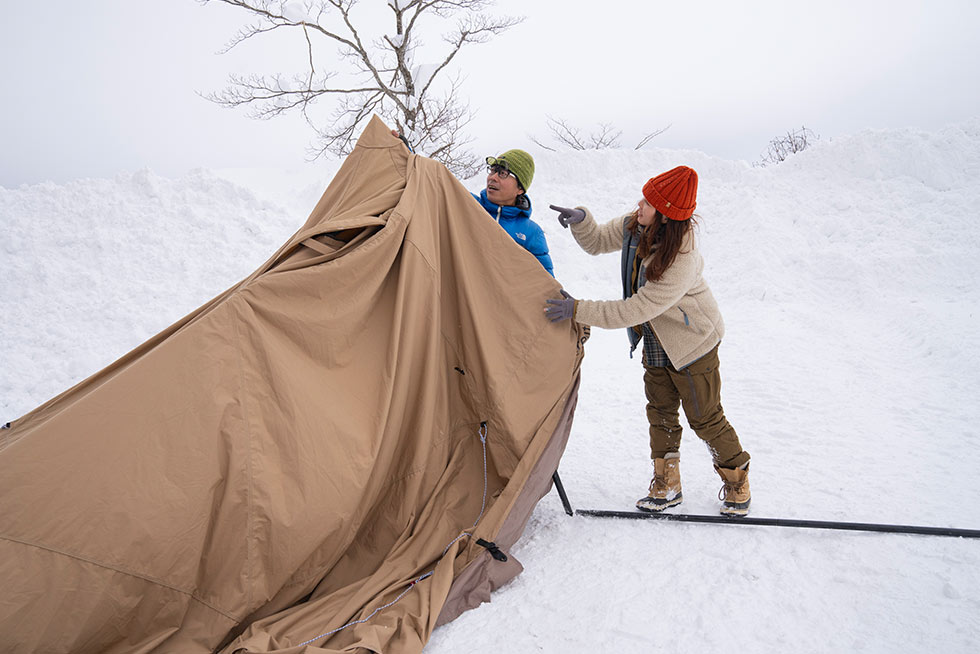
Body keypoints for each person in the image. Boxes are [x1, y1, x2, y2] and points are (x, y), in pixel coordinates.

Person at [543, 166, 751, 516]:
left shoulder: (680, 259)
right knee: (660, 412)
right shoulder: (636, 225)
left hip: (692, 343)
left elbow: (632, 310)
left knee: (704, 417)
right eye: (643, 197)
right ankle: (667, 483)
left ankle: (737, 479)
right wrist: (581, 220)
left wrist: (576, 309)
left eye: (649, 202)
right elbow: (596, 241)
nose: (639, 205)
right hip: (656, 339)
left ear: (667, 216)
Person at [472, 149, 554, 276]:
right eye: (493, 171)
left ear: (520, 188)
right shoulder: (468, 205)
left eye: (503, 173)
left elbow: (545, 283)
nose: (492, 177)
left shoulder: (531, 232)